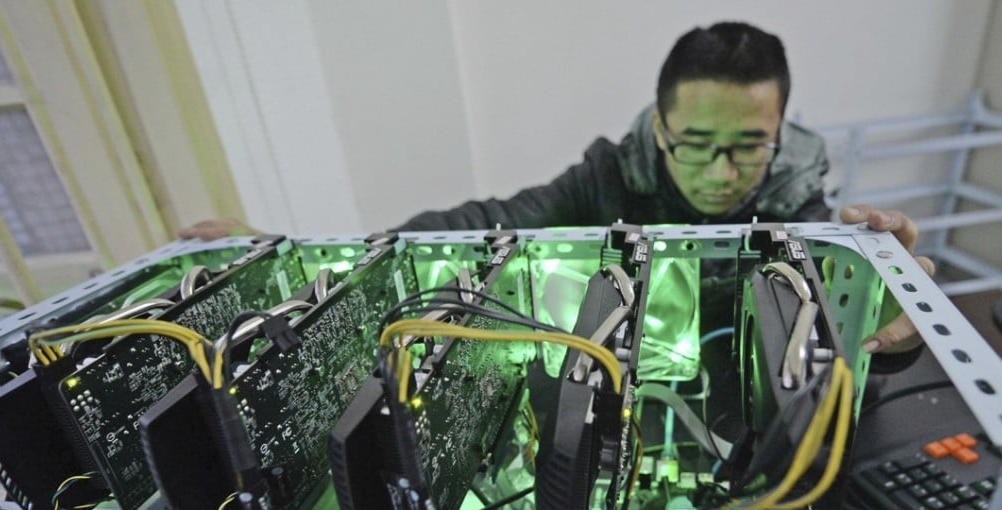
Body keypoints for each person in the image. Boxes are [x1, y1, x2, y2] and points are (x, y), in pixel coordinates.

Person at [181, 21, 932, 353]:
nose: (721, 173)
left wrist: (889, 305)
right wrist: (304, 252)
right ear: (660, 129)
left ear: (779, 135)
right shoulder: (610, 173)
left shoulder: (801, 192)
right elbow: (484, 221)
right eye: (696, 146)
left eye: (748, 148)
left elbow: (831, 307)